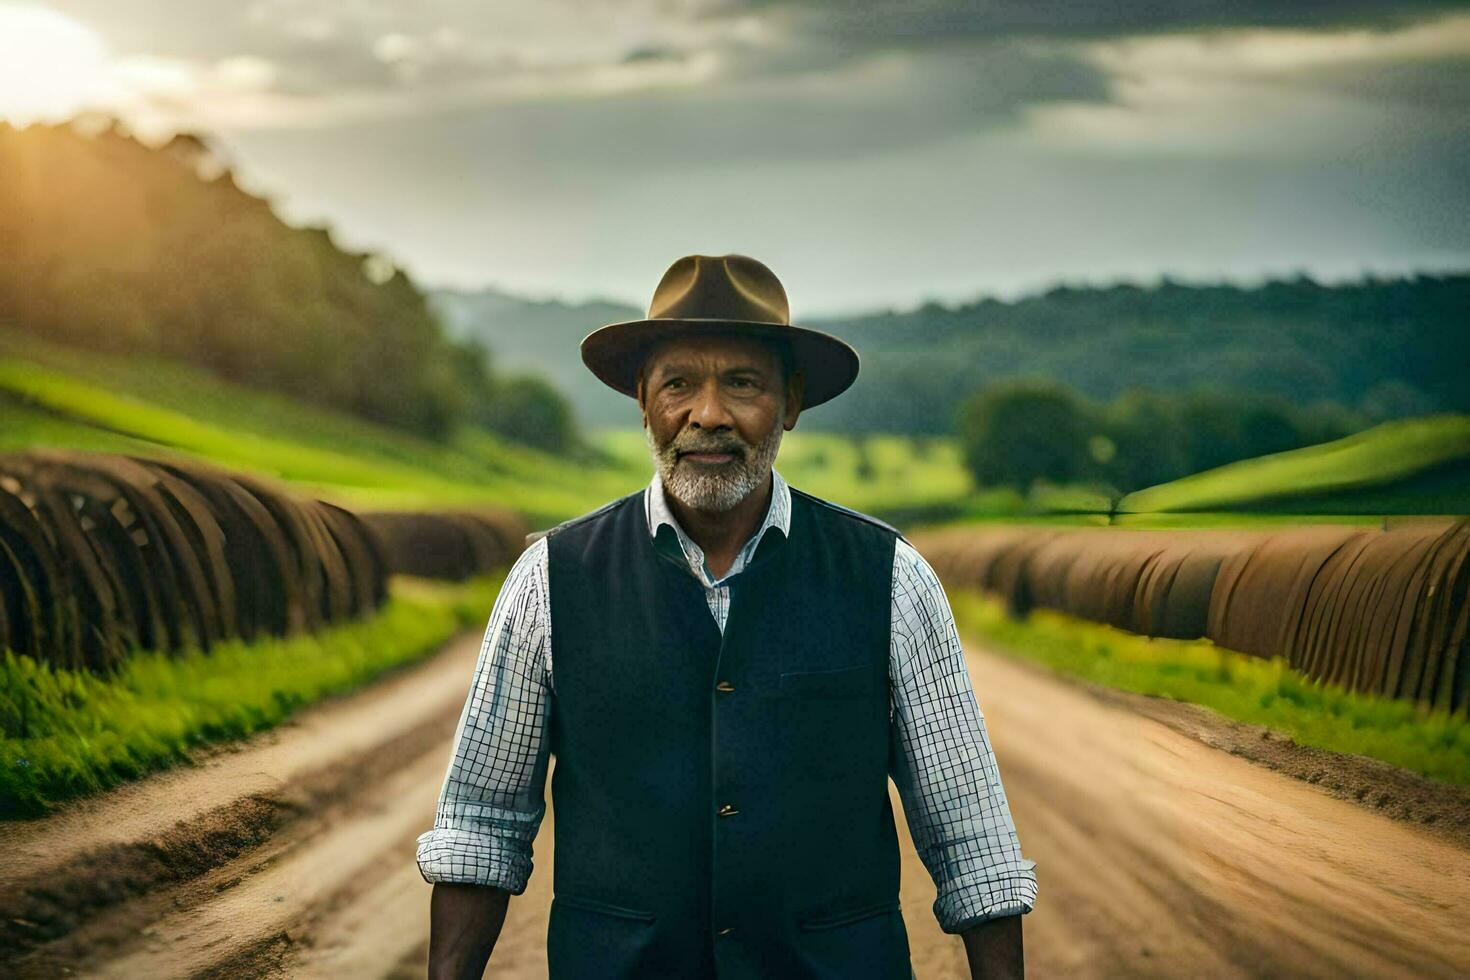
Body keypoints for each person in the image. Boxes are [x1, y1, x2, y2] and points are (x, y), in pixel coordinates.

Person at [415, 254, 1037, 979]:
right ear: (642, 401)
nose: (707, 415)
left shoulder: (893, 579)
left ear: (791, 403)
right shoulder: (548, 582)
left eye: (742, 383)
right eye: (679, 383)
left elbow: (974, 840)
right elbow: (480, 826)